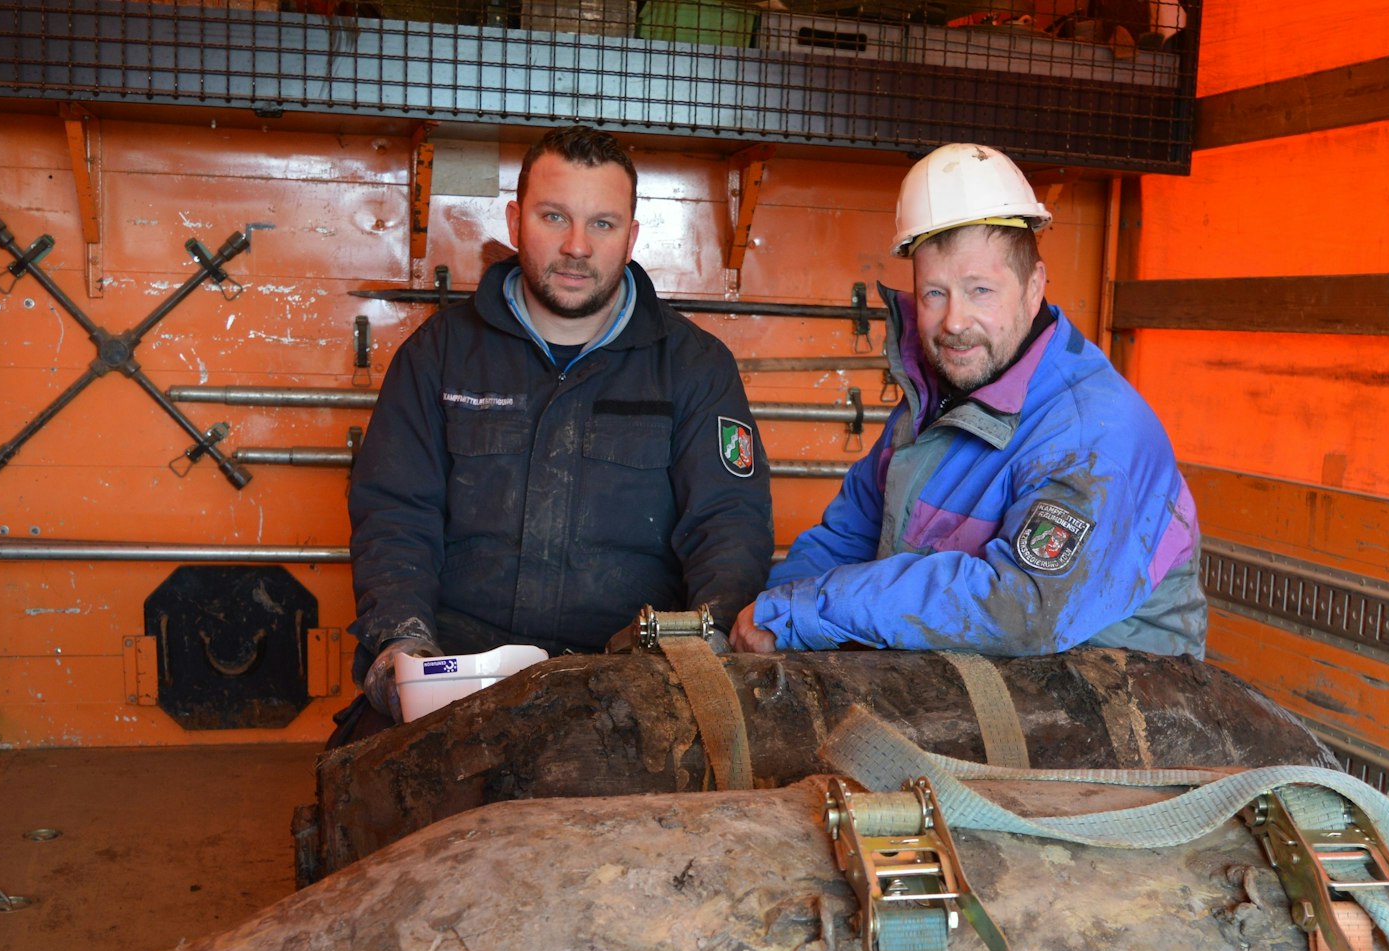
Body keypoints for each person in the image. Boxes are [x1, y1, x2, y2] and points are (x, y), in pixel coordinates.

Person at [344, 126, 774, 732]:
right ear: (517, 221)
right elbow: (394, 514)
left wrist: (711, 647)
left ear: (631, 238)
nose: (577, 246)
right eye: (554, 217)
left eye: (602, 224)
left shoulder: (695, 367)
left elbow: (728, 522)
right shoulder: (438, 356)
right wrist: (402, 642)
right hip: (461, 672)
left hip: (635, 680)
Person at [729, 142, 1205, 659]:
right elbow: (849, 537)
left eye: (980, 290)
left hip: (1123, 702)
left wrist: (811, 612)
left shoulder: (1092, 434)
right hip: (977, 688)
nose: (954, 321)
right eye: (935, 293)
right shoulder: (934, 399)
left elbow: (1022, 609)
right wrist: (773, 610)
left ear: (1033, 286)